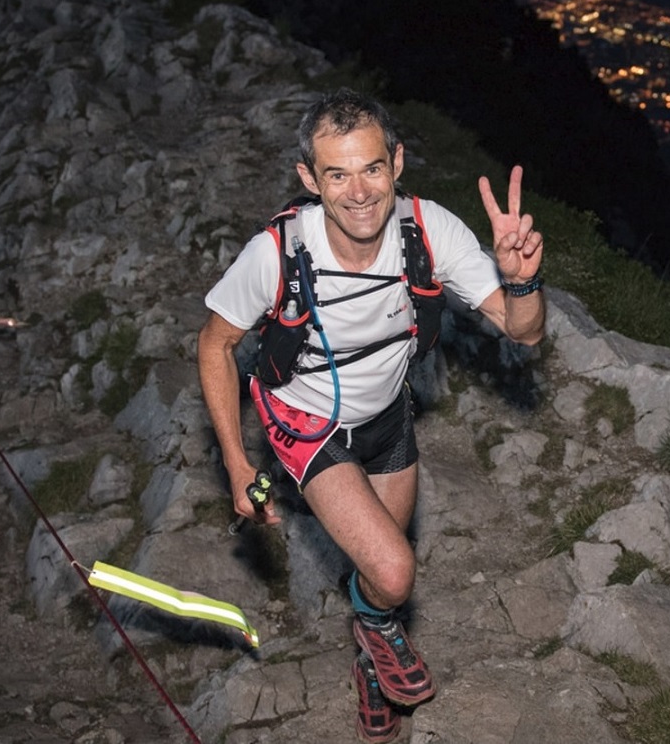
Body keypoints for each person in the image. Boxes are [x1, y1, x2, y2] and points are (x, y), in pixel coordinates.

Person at [196, 88, 545, 742]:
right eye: (337, 173)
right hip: (305, 428)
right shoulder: (276, 254)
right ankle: (377, 633)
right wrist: (237, 462)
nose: (359, 191)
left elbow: (522, 333)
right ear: (309, 178)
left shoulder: (428, 230)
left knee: (378, 573)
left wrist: (522, 281)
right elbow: (214, 343)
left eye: (372, 168)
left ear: (398, 162)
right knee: (392, 573)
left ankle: (368, 664)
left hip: (389, 417)